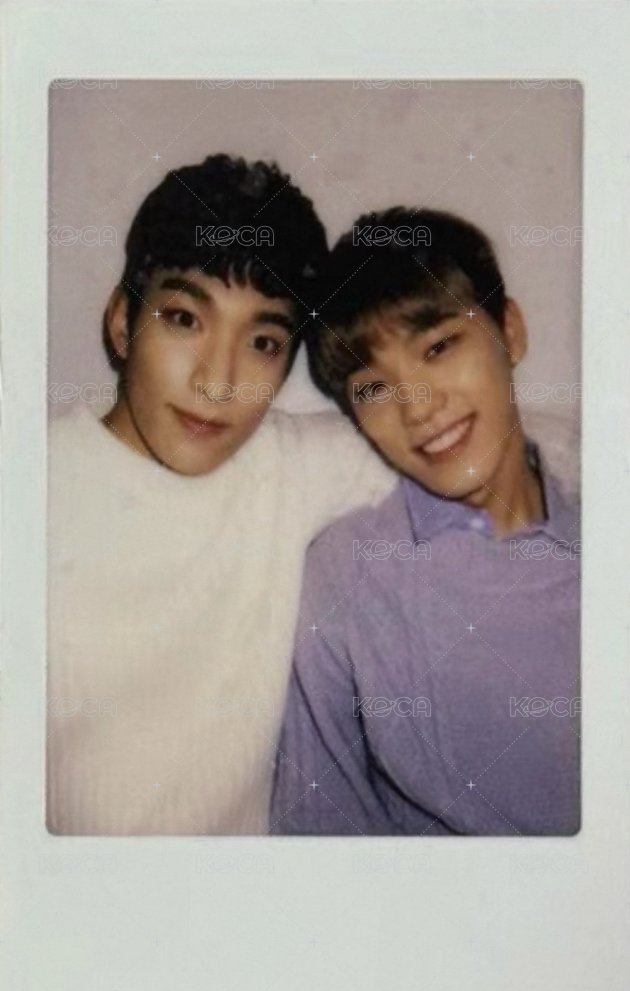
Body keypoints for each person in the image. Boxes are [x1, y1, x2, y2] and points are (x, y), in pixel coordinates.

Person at [47, 155, 394, 835]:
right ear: (121, 322)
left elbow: (453, 436)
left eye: (262, 341)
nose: (218, 382)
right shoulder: (33, 492)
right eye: (183, 318)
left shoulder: (288, 467)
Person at [270, 207, 580, 836]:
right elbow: (320, 825)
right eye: (373, 388)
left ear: (510, 331)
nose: (418, 407)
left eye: (438, 347)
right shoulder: (348, 575)